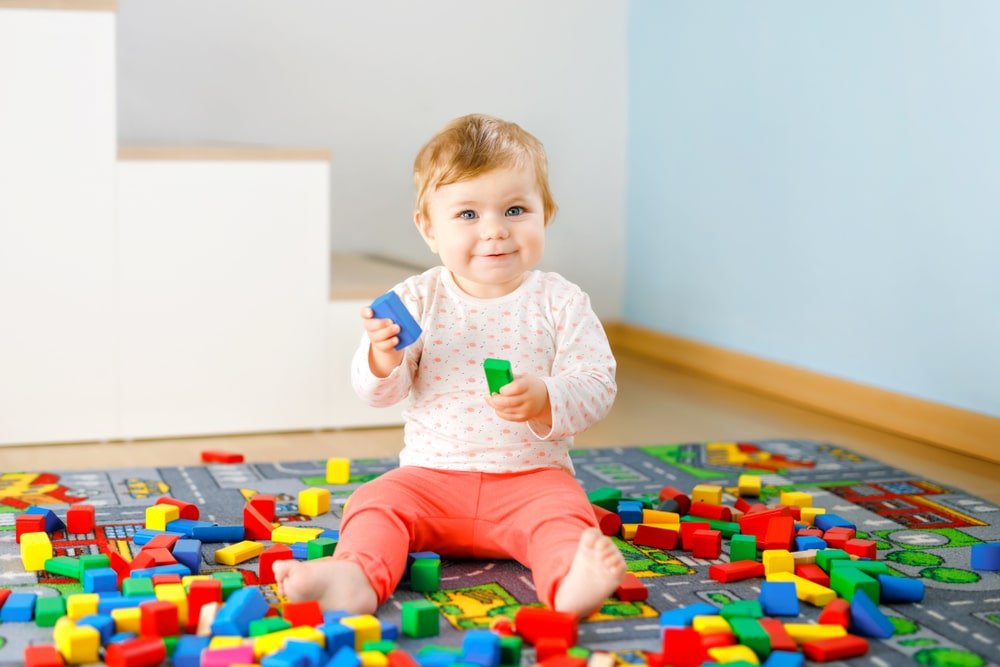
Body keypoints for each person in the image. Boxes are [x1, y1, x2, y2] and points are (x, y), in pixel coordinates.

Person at [273, 113, 624, 617]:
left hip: (531, 478)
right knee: (373, 502)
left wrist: (547, 396)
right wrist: (383, 357)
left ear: (545, 214)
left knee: (566, 514)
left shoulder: (562, 301)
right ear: (428, 228)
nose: (495, 230)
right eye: (468, 214)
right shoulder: (416, 299)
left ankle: (571, 581)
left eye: (516, 209)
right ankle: (355, 577)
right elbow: (377, 393)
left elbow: (597, 384)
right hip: (429, 478)